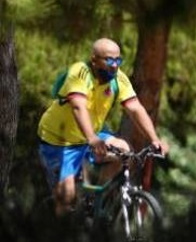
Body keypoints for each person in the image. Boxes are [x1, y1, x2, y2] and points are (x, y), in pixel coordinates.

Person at [38, 38, 169, 217]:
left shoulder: (118, 79)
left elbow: (135, 108)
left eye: (118, 60)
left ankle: (95, 195)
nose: (114, 65)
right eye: (109, 60)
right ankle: (56, 236)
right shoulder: (80, 72)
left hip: (91, 135)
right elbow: (78, 106)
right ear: (94, 60)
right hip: (60, 140)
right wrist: (92, 138)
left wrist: (154, 139)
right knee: (66, 199)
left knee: (124, 151)